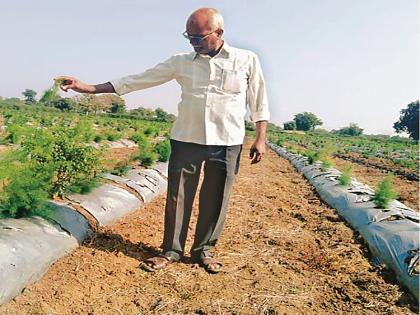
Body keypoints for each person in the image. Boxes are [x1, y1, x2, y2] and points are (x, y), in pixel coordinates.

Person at [57, 7, 269, 274]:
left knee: (216, 198)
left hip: (227, 141)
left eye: (198, 38)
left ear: (219, 33)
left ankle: (204, 251)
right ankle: (171, 250)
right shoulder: (181, 61)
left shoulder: (246, 59)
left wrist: (261, 137)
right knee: (178, 197)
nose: (193, 43)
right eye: (189, 37)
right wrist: (89, 88)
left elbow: (259, 101)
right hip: (186, 139)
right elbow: (139, 80)